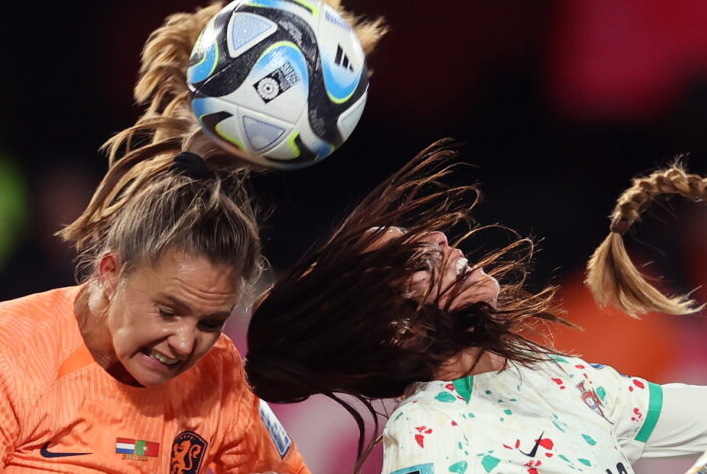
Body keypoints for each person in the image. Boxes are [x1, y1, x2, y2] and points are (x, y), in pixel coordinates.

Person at [0, 0, 384, 474]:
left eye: (211, 324)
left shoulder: (220, 381)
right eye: (169, 311)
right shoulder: (2, 351)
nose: (184, 343)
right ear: (110, 272)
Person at [245, 140, 707, 474]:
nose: (438, 239)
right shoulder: (431, 442)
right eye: (413, 258)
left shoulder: (553, 378)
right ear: (397, 329)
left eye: (415, 235)